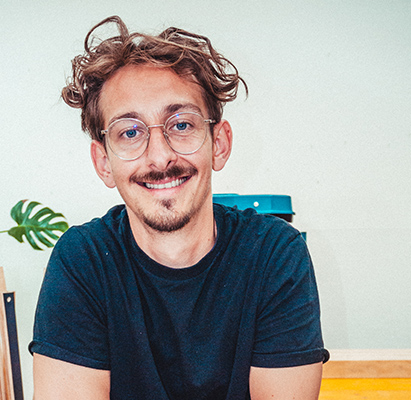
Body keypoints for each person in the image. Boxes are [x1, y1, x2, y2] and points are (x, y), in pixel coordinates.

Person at [30, 15, 328, 399]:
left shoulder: (274, 255)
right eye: (130, 132)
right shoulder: (83, 262)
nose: (160, 156)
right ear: (104, 163)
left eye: (181, 125)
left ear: (218, 143)